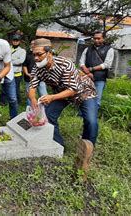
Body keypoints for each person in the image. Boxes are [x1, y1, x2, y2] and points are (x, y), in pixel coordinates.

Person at [28, 38, 98, 173]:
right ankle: (58, 145)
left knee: (91, 121)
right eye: (34, 55)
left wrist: (51, 97)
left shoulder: (65, 63)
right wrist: (33, 99)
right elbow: (32, 86)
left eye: (39, 54)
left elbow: (72, 89)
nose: (36, 58)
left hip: (83, 92)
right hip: (62, 93)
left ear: (49, 53)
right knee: (48, 116)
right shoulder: (37, 68)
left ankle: (87, 150)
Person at [79, 31, 114, 109]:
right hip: (86, 77)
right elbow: (81, 62)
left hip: (100, 78)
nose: (96, 40)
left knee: (97, 99)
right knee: (84, 96)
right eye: (94, 38)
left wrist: (91, 69)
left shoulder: (109, 49)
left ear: (104, 39)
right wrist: (86, 70)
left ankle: (93, 116)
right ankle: (81, 115)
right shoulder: (87, 49)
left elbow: (107, 64)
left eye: (99, 38)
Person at [2, 31, 26, 104]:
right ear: (12, 41)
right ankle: (3, 102)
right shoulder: (8, 49)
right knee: (4, 89)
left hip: (17, 74)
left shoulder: (22, 51)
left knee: (16, 89)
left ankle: (17, 103)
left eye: (17, 40)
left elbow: (21, 61)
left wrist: (9, 61)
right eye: (14, 40)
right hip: (7, 72)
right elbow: (3, 58)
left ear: (19, 41)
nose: (15, 42)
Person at [23, 39, 47, 105]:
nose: (32, 45)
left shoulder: (42, 54)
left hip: (41, 77)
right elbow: (24, 65)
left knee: (43, 94)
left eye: (34, 44)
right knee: (30, 96)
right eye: (31, 44)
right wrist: (27, 73)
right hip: (29, 78)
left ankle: (45, 110)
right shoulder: (27, 53)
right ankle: (31, 110)